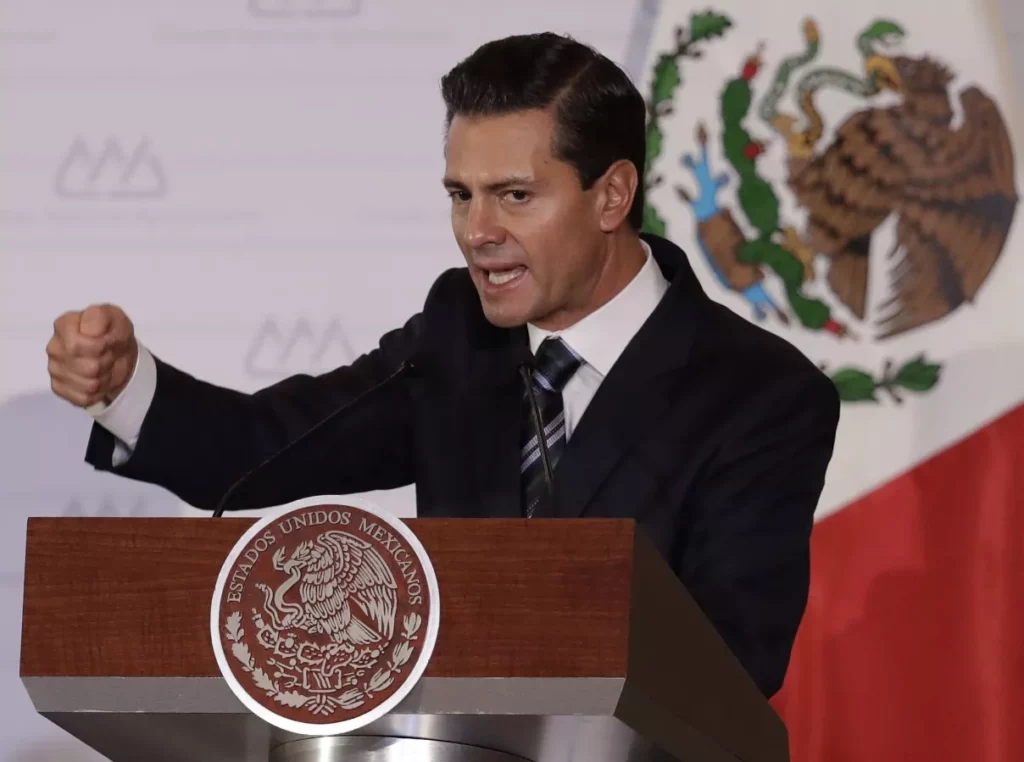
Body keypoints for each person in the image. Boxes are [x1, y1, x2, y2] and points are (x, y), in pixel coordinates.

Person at [44, 32, 839, 698]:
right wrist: (126, 388)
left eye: (514, 196)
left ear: (612, 195)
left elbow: (732, 663)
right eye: (461, 195)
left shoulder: (760, 394)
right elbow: (263, 447)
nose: (477, 232)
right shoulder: (458, 336)